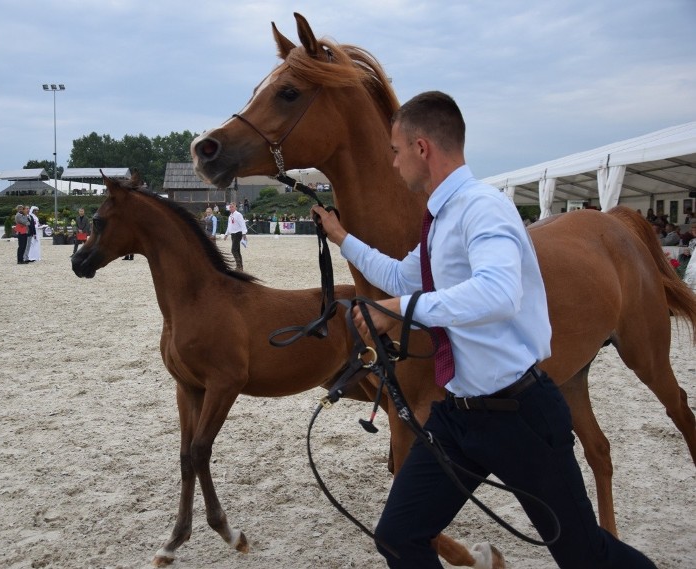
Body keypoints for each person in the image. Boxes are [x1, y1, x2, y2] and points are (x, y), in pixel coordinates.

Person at [311, 91, 655, 569]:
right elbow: (399, 277)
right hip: (460, 417)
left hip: (522, 416)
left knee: (585, 555)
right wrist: (343, 238)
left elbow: (498, 294)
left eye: (395, 151)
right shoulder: (440, 220)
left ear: (422, 148)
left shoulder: (482, 208)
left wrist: (401, 310)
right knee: (397, 537)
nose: (392, 163)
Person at [223, 202, 247, 270]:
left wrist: (244, 233)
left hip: (238, 233)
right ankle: (240, 266)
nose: (231, 208)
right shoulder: (230, 216)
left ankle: (238, 266)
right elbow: (229, 226)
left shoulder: (238, 215)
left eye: (232, 206)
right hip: (233, 234)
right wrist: (226, 234)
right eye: (230, 207)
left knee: (233, 250)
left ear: (235, 207)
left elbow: (242, 224)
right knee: (237, 250)